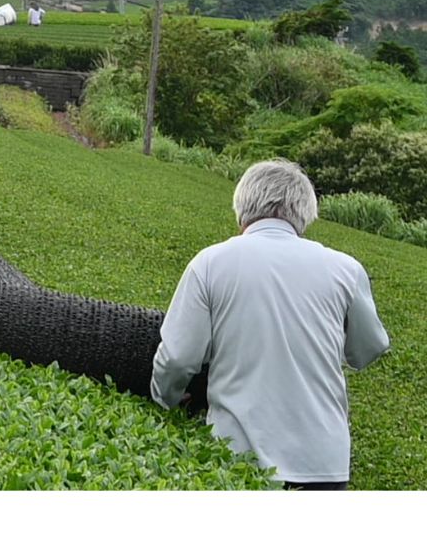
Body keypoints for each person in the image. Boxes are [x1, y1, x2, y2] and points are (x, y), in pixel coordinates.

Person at [150, 158, 389, 490]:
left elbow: (177, 358)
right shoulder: (346, 269)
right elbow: (370, 348)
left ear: (241, 208)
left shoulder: (210, 263)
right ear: (305, 213)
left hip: (236, 458)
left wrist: (167, 399)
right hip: (324, 464)